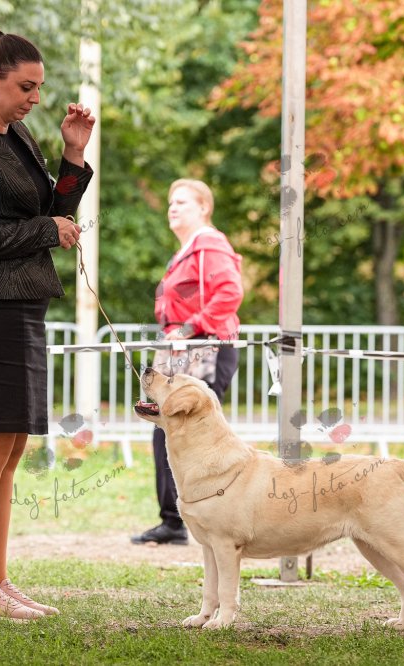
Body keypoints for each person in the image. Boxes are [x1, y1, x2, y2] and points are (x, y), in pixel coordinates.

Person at [0, 29, 95, 621]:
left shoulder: (18, 135)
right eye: (26, 87)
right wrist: (46, 230)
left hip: (23, 304)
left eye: (40, 88)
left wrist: (73, 155)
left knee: (10, 450)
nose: (36, 98)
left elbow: (54, 212)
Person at [131, 179, 244, 546]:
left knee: (195, 433)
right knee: (167, 429)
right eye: (170, 202)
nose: (172, 207)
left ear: (204, 208)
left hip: (204, 349)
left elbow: (230, 292)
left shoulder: (209, 244)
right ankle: (175, 519)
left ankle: (209, 517)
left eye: (182, 202)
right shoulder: (188, 250)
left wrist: (190, 328)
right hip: (182, 350)